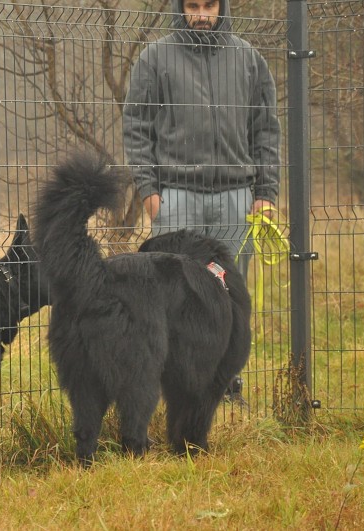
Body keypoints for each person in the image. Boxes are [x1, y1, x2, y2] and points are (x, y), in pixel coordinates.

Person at [123, 0, 281, 401]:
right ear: (180, 8)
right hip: (176, 198)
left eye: (209, 5)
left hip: (236, 198)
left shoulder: (249, 60)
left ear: (221, 7)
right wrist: (149, 192)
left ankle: (227, 386)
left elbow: (265, 131)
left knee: (229, 301)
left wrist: (265, 194)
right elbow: (136, 127)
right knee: (175, 301)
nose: (201, 14)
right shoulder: (154, 59)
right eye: (192, 5)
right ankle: (179, 392)